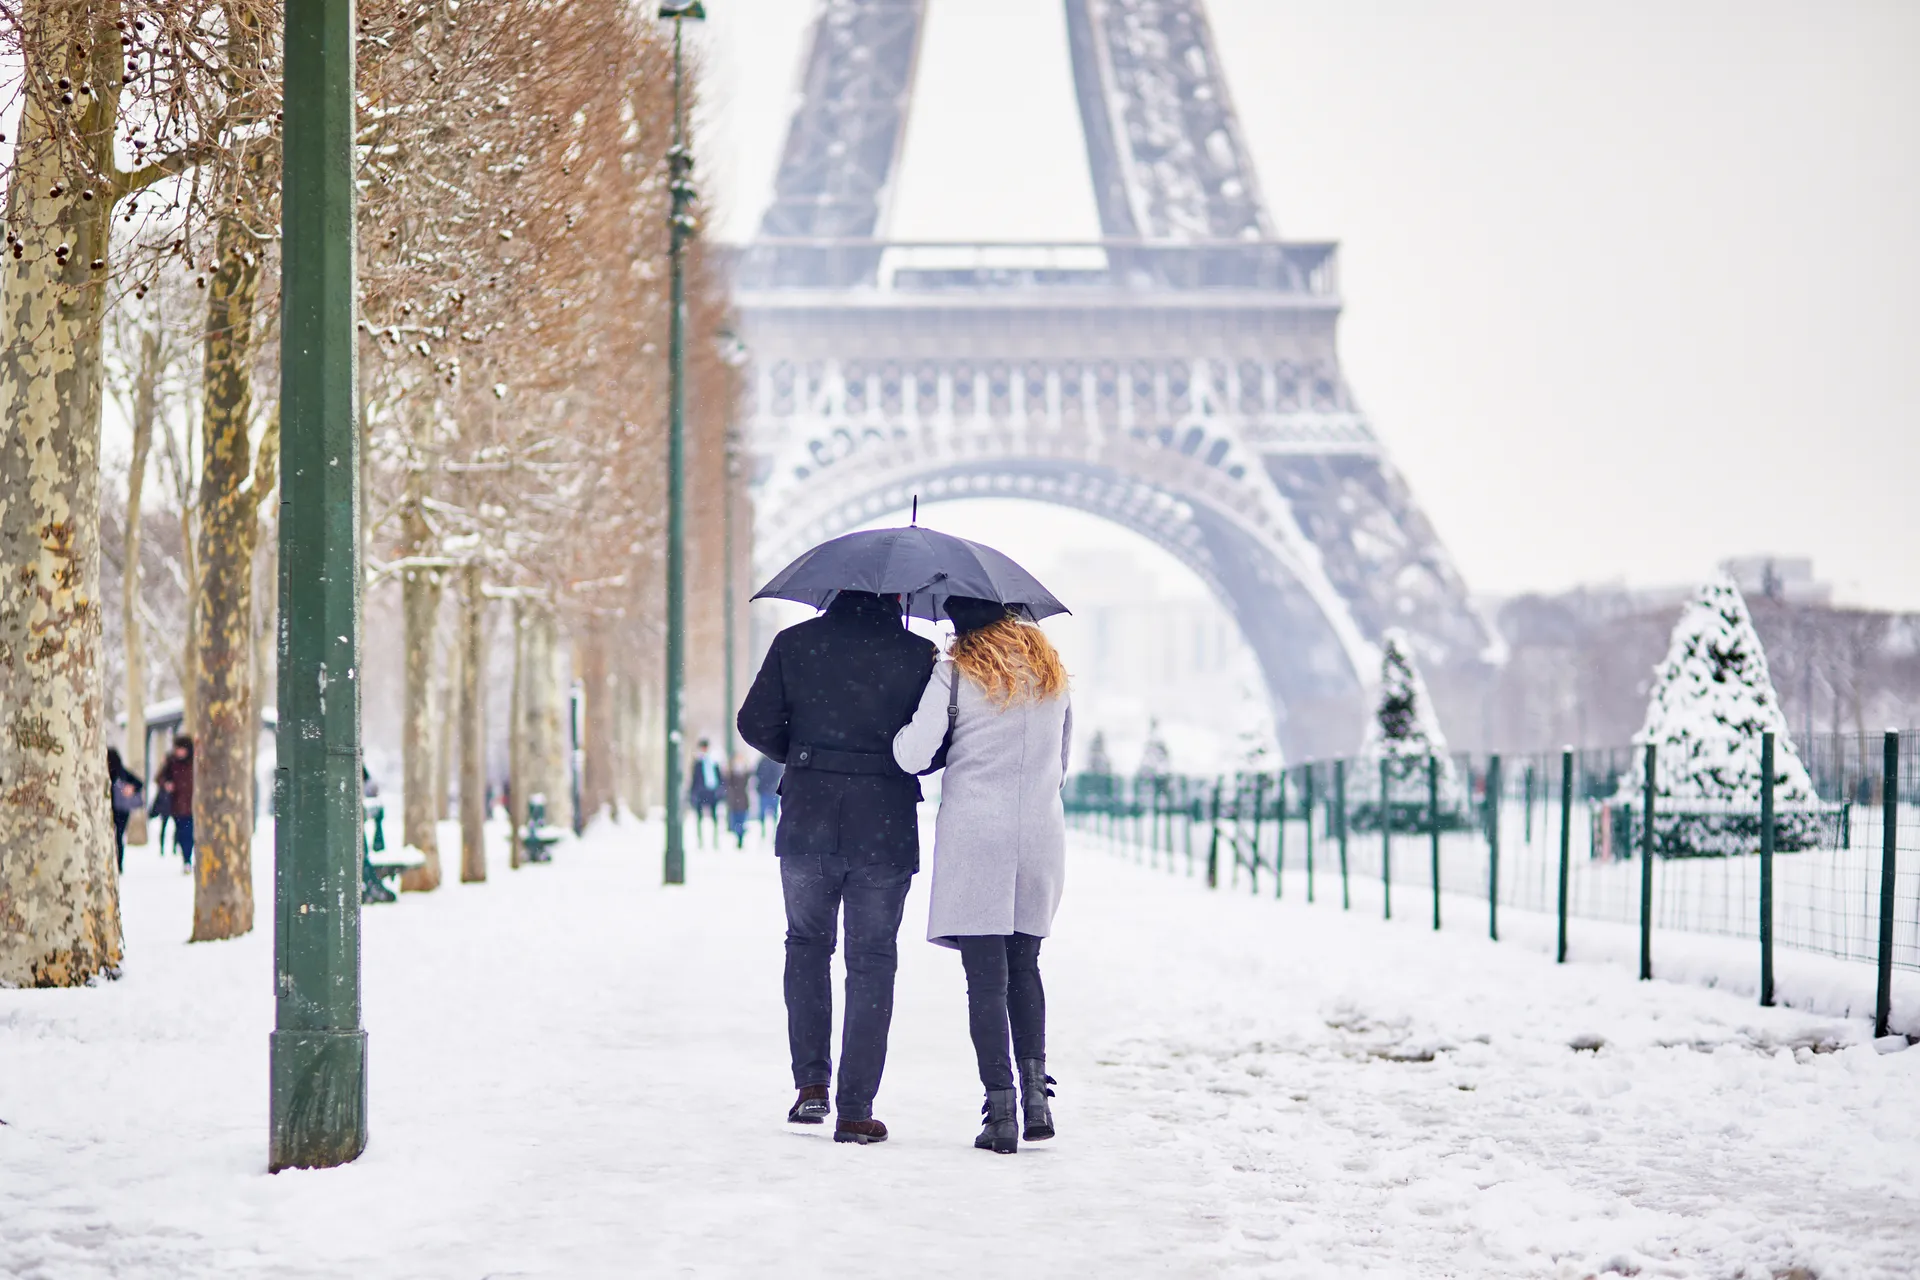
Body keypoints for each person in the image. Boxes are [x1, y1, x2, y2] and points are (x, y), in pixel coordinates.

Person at [737, 589, 937, 1145]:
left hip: (809, 817)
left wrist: (808, 755)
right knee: (872, 961)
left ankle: (811, 1086)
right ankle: (855, 1109)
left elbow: (754, 722)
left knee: (806, 947)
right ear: (897, 593)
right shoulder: (918, 655)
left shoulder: (795, 643)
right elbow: (933, 745)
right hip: (885, 823)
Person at [893, 597, 1070, 1155]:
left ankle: (1001, 1111)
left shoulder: (954, 674)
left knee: (986, 981)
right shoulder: (1052, 676)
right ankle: (1037, 1097)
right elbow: (1061, 766)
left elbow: (912, 755)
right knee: (1026, 966)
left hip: (976, 836)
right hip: (1038, 834)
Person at [155, 735, 195, 871]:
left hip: (192, 804)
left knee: (189, 833)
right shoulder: (171, 762)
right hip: (176, 804)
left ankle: (188, 858)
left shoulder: (195, 762)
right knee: (182, 832)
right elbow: (159, 778)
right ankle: (186, 858)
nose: (179, 752)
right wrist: (166, 784)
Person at [107, 747, 144, 875]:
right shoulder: (121, 772)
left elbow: (139, 783)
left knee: (116, 837)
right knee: (118, 837)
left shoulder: (119, 772)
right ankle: (118, 864)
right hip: (120, 810)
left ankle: (117, 863)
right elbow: (139, 783)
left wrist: (131, 788)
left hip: (117, 809)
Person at [687, 738, 723, 848]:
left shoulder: (714, 761)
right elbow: (694, 779)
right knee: (699, 818)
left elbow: (720, 778)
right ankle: (700, 841)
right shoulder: (697, 762)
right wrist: (693, 793)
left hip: (712, 792)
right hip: (701, 793)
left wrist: (720, 791)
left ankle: (715, 841)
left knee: (714, 818)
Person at [724, 754, 752, 850]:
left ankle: (740, 839)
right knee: (736, 823)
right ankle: (739, 837)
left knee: (741, 822)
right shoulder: (731, 775)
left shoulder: (745, 774)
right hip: (734, 802)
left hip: (743, 802)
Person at [753, 753, 783, 836]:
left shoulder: (772, 761)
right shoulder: (764, 761)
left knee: (772, 813)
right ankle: (765, 831)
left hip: (771, 791)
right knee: (765, 813)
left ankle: (772, 831)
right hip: (768, 791)